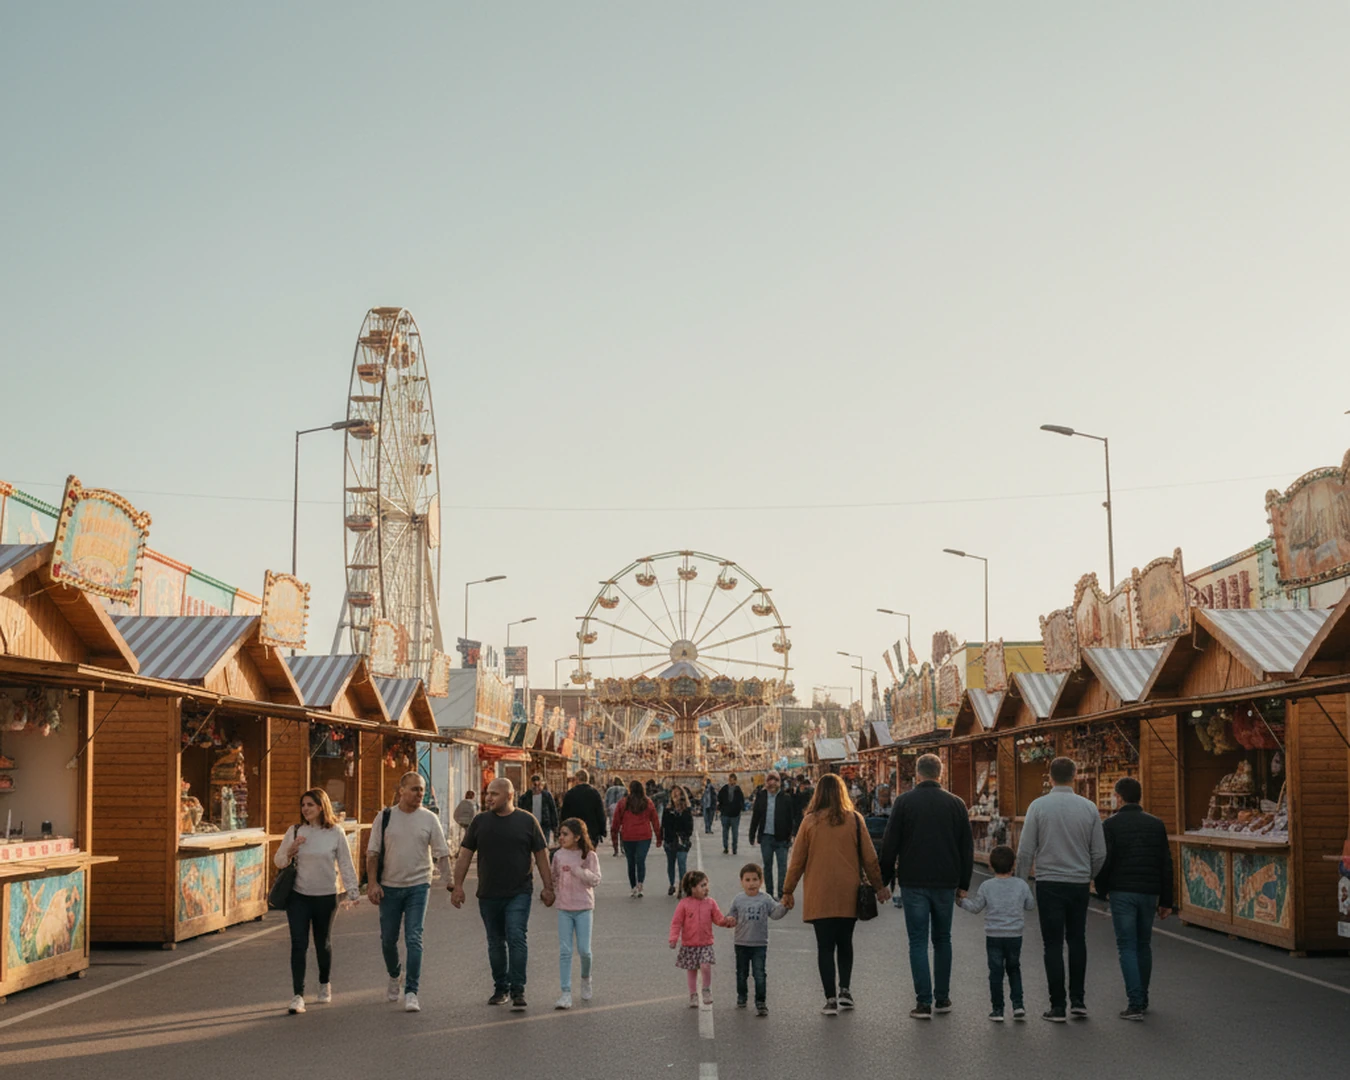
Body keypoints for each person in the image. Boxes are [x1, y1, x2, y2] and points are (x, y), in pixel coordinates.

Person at [781, 773, 890, 1016]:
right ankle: (845, 991)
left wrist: (788, 891)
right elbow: (870, 857)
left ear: (818, 794)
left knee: (824, 946)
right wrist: (880, 886)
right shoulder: (854, 819)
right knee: (845, 943)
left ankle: (830, 998)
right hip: (848, 891)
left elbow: (796, 862)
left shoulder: (809, 822)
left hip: (819, 893)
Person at [879, 753, 973, 1019]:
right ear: (940, 774)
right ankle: (942, 998)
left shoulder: (904, 802)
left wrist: (883, 881)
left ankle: (923, 1002)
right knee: (943, 939)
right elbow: (966, 848)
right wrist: (964, 883)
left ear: (917, 775)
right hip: (945, 882)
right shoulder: (956, 804)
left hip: (914, 881)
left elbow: (890, 844)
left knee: (918, 941)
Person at [451, 777, 556, 1011]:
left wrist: (548, 887)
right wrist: (457, 886)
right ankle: (501, 988)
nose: (489, 798)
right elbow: (465, 855)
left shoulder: (527, 821)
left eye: (494, 794)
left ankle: (518, 989)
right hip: (488, 894)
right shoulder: (480, 822)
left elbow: (541, 855)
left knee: (516, 936)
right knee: (496, 942)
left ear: (509, 796)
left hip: (519, 891)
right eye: (487, 793)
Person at [1016, 756, 1107, 1023]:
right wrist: (1088, 874)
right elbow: (1100, 852)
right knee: (1077, 939)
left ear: (1050, 776)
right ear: (1075, 775)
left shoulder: (1038, 806)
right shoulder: (1089, 808)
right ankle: (1078, 1000)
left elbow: (1025, 850)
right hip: (1078, 883)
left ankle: (1057, 1006)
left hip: (1049, 882)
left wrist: (1021, 883)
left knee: (1052, 944)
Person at [366, 772, 453, 1013]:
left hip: (418, 886)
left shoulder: (429, 819)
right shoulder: (385, 817)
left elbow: (441, 852)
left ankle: (412, 991)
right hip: (389, 887)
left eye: (422, 790)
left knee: (414, 937)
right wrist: (372, 884)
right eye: (414, 789)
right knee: (388, 940)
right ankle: (395, 975)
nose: (419, 794)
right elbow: (372, 853)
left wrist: (450, 881)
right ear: (401, 790)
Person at [1094, 776, 1174, 1021]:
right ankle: (1143, 997)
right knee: (1143, 944)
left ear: (1118, 797)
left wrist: (1101, 888)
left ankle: (1135, 1002)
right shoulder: (1156, 824)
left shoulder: (1110, 825)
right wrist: (1167, 900)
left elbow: (1104, 861)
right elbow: (1165, 863)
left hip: (1122, 892)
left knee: (1126, 945)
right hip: (1149, 892)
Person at [275, 788, 360, 1015]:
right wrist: (290, 851)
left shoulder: (335, 833)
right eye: (303, 805)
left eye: (310, 805)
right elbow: (279, 861)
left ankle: (324, 984)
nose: (305, 809)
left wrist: (353, 890)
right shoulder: (294, 831)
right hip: (298, 896)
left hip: (325, 896)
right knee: (299, 944)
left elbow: (345, 862)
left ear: (321, 807)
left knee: (322, 943)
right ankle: (298, 995)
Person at [958, 844, 1036, 1022]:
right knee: (1014, 969)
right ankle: (1018, 1005)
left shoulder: (987, 886)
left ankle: (998, 1010)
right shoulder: (1021, 885)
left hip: (993, 936)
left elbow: (976, 907)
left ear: (991, 866)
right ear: (1013, 864)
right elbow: (1030, 905)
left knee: (996, 972)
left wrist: (961, 901)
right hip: (1015, 935)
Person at [551, 818, 601, 1010]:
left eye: (565, 834)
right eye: (560, 834)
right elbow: (554, 876)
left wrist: (578, 871)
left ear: (577, 836)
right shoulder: (558, 855)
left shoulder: (588, 856)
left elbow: (596, 880)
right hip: (564, 908)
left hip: (584, 907)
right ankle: (565, 993)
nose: (561, 837)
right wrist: (554, 892)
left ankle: (586, 978)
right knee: (565, 951)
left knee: (584, 950)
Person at [669, 869, 735, 1007]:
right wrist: (673, 938)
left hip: (705, 943)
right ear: (692, 889)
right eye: (702, 885)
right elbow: (676, 923)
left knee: (705, 966)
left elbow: (718, 919)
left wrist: (727, 922)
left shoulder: (710, 903)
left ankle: (706, 989)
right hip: (689, 944)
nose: (706, 888)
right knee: (692, 970)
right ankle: (693, 994)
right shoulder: (684, 904)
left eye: (706, 885)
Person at [729, 863, 787, 1015]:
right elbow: (732, 916)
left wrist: (785, 906)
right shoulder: (738, 900)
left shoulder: (766, 899)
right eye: (747, 880)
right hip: (741, 943)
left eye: (755, 879)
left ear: (761, 881)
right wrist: (728, 921)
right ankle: (742, 996)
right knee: (741, 973)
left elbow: (775, 914)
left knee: (759, 973)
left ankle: (760, 1002)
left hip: (759, 944)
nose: (751, 883)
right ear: (741, 882)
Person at [747, 770, 799, 899]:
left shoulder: (786, 798)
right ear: (767, 782)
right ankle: (769, 894)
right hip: (766, 838)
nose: (772, 783)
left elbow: (790, 818)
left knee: (782, 868)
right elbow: (756, 816)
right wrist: (752, 834)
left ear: (779, 783)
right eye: (770, 780)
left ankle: (782, 893)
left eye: (775, 780)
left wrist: (792, 835)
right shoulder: (761, 796)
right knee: (767, 866)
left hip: (782, 839)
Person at [612, 779, 662, 897]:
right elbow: (655, 821)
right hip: (644, 836)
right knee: (641, 860)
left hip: (628, 836)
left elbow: (616, 822)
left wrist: (615, 840)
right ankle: (640, 884)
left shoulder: (623, 803)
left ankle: (633, 886)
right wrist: (659, 837)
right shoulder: (648, 803)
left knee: (631, 862)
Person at [559, 768, 608, 852]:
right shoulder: (594, 793)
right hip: (591, 832)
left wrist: (562, 830)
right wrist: (602, 830)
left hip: (573, 831)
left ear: (577, 779)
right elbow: (600, 813)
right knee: (589, 856)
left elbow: (564, 814)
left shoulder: (570, 794)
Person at [661, 785, 695, 896]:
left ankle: (682, 885)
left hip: (682, 841)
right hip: (670, 841)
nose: (675, 795)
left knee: (682, 864)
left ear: (681, 795)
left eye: (677, 793)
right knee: (671, 864)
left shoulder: (686, 810)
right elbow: (664, 825)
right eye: (673, 793)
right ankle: (672, 884)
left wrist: (685, 836)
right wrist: (663, 838)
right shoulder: (667, 810)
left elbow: (689, 826)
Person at [523, 774, 560, 846]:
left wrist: (555, 826)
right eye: (534, 785)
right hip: (531, 825)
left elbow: (553, 810)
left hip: (545, 825)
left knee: (544, 845)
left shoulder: (547, 796)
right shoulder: (526, 797)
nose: (537, 788)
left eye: (539, 785)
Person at [718, 774, 746, 855]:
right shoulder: (724, 789)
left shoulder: (738, 790)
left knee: (735, 833)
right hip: (725, 814)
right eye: (730, 779)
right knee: (725, 832)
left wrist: (739, 808)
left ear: (735, 780)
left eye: (733, 780)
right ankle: (725, 847)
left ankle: (734, 848)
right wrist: (721, 809)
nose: (731, 781)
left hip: (735, 815)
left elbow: (742, 800)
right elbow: (719, 798)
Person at [605, 777, 627, 856]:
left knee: (613, 828)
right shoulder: (624, 789)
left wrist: (607, 810)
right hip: (621, 808)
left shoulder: (609, 790)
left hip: (612, 808)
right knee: (622, 829)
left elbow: (606, 801)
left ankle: (616, 849)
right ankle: (623, 848)